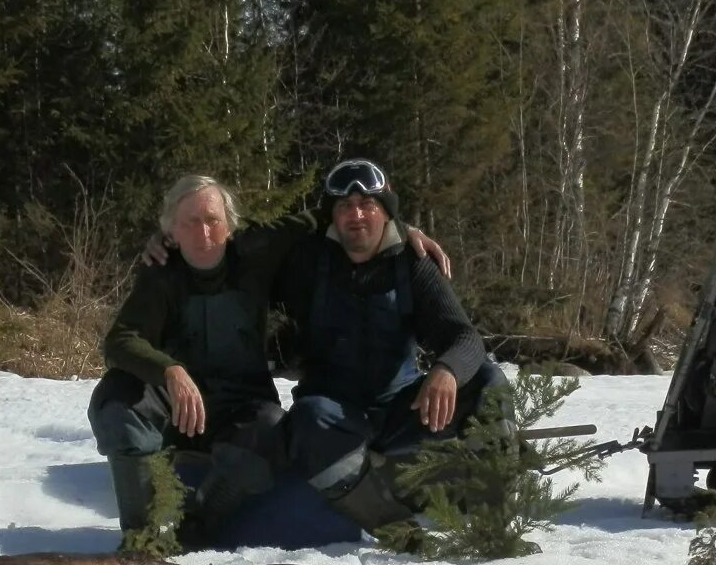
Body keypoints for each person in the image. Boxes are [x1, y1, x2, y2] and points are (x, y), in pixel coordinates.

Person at [272, 157, 507, 536]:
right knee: (309, 415)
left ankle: (491, 512)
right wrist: (168, 239)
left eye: (368, 205)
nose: (357, 215)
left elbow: (464, 337)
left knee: (487, 380)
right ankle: (391, 526)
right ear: (331, 216)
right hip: (334, 413)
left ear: (386, 212)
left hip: (402, 408)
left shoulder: (412, 264)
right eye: (345, 207)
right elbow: (235, 252)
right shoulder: (305, 261)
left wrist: (446, 371)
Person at [87, 174, 283, 542]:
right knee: (116, 398)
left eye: (213, 220)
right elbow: (120, 340)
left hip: (240, 412)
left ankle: (199, 526)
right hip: (175, 412)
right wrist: (170, 371)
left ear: (230, 225)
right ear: (171, 231)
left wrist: (400, 231)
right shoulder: (161, 273)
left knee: (273, 427)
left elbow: (326, 221)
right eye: (190, 222)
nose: (204, 233)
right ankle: (141, 537)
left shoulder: (257, 257)